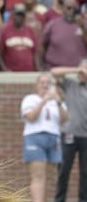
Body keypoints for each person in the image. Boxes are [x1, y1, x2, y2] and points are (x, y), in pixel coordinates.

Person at [21, 73, 69, 202]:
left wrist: (58, 102)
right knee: (38, 175)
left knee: (52, 176)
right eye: (42, 82)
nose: (45, 85)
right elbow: (31, 117)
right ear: (36, 85)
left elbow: (64, 120)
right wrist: (44, 101)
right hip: (35, 138)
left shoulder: (57, 101)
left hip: (54, 138)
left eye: (48, 83)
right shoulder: (30, 99)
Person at [50, 61, 87, 202]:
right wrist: (77, 68)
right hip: (69, 134)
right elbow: (54, 71)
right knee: (64, 170)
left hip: (86, 137)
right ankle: (59, 199)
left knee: (85, 172)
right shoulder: (71, 84)